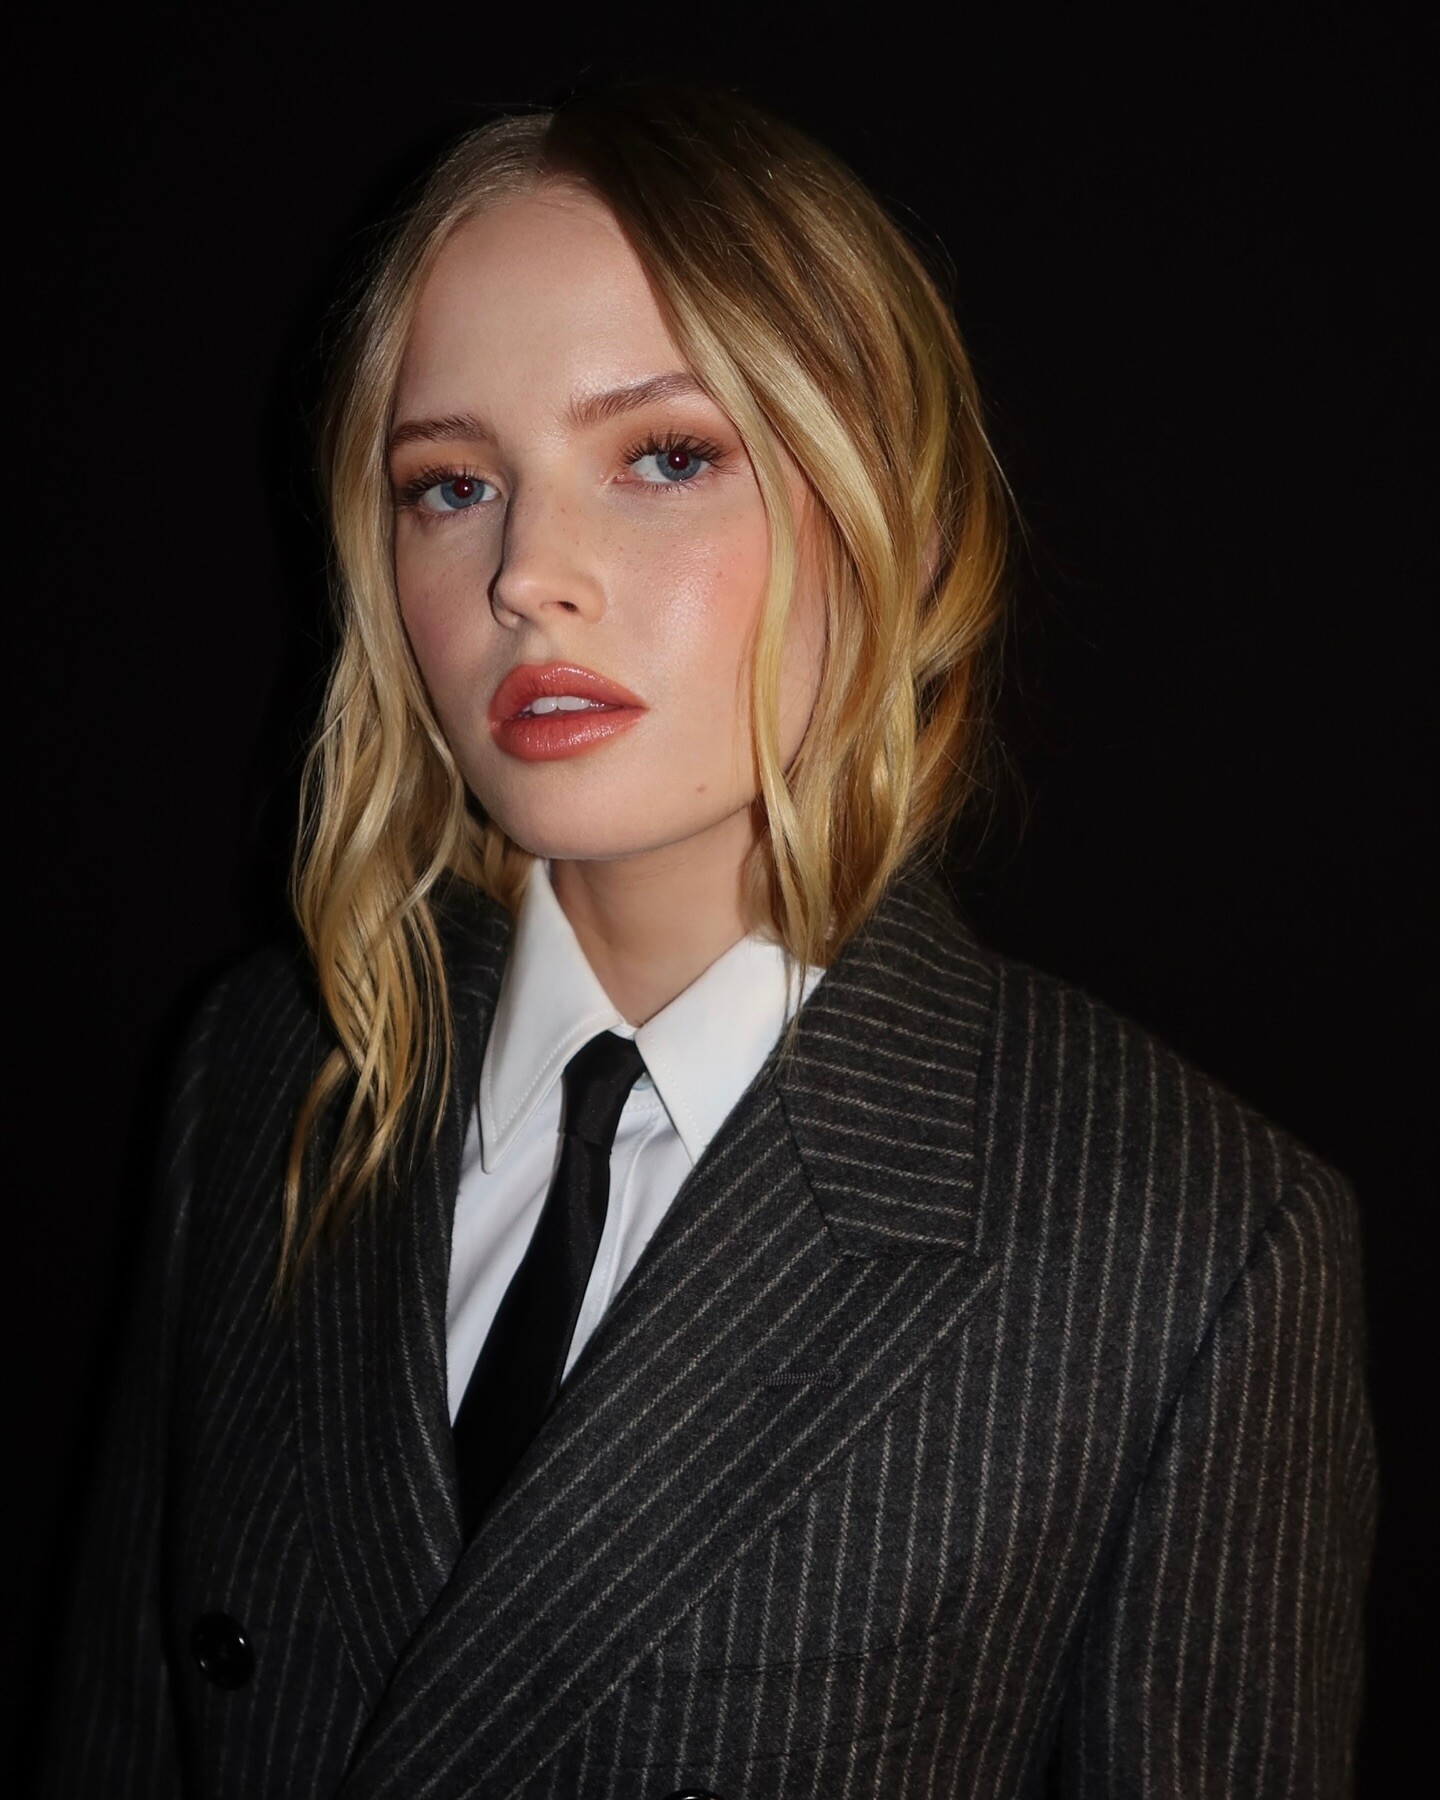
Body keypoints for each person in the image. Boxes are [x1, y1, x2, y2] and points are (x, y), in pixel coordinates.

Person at [44, 86, 1375, 1798]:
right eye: (450, 484)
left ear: (892, 514)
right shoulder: (267, 1070)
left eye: (666, 456)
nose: (528, 574)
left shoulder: (1182, 1248)